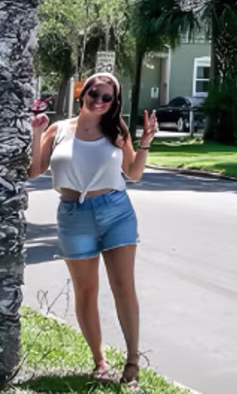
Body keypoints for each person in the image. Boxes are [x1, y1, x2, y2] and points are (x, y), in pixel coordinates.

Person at [28, 73, 159, 388]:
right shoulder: (59, 130)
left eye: (107, 98)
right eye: (94, 94)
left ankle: (132, 362)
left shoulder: (115, 129)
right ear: (82, 93)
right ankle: (99, 361)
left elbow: (135, 173)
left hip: (115, 211)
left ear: (115, 103)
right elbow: (34, 172)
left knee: (123, 287)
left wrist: (144, 144)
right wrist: (37, 134)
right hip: (74, 215)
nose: (99, 102)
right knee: (86, 291)